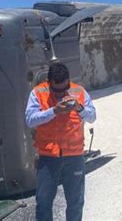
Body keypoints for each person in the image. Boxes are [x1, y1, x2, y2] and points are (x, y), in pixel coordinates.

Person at [25, 62, 96, 221]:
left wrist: (80, 109)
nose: (61, 94)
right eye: (56, 91)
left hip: (74, 156)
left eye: (64, 89)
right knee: (43, 203)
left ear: (68, 81)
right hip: (49, 156)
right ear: (49, 82)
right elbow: (30, 119)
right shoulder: (38, 93)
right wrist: (54, 111)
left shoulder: (79, 91)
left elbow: (92, 117)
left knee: (75, 202)